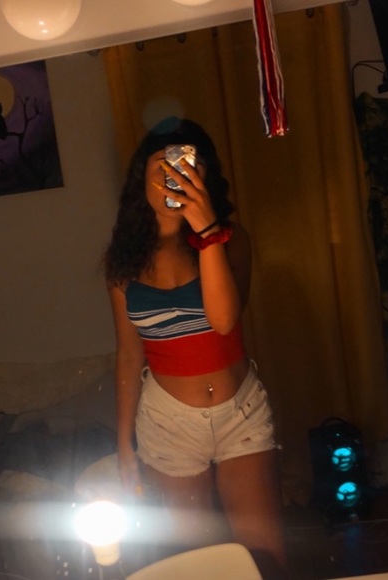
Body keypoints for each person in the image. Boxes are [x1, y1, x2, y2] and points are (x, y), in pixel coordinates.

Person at [103, 117, 286, 578]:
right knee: (199, 567)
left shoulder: (231, 239)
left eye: (187, 167)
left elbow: (224, 321)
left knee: (265, 563)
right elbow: (129, 354)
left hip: (240, 415)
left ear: (205, 176)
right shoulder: (123, 262)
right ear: (141, 180)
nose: (174, 177)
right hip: (167, 425)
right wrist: (124, 445)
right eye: (162, 168)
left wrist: (207, 233)